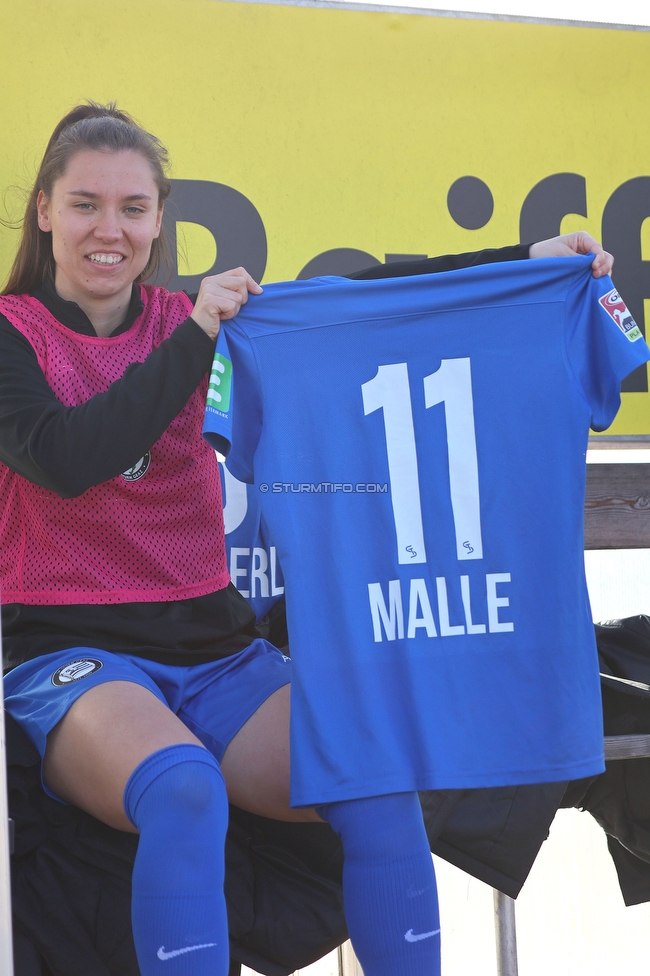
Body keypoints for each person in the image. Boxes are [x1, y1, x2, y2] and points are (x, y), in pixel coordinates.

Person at [0, 101, 614, 976]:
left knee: (375, 777)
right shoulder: (17, 333)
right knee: (181, 788)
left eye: (133, 208)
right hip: (75, 653)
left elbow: (362, 303)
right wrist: (194, 336)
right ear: (45, 212)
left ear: (159, 219)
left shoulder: (196, 319)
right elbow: (66, 458)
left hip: (214, 650)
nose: (111, 229)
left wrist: (521, 263)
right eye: (86, 204)